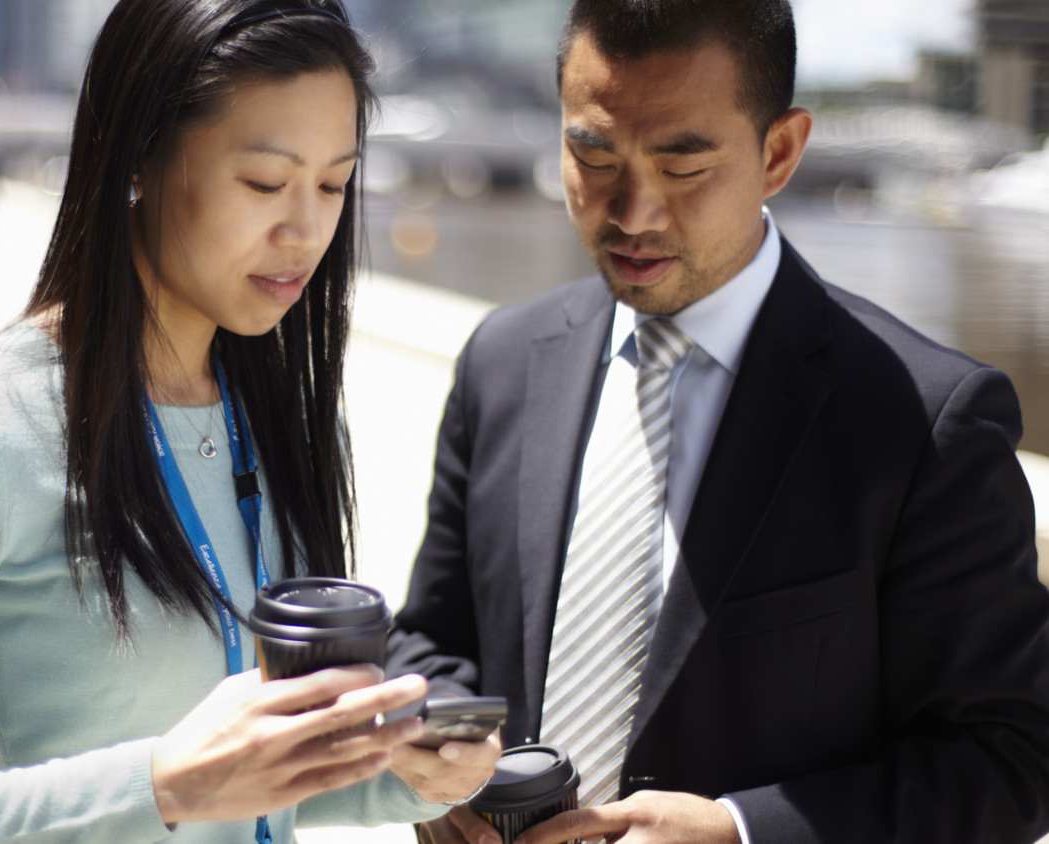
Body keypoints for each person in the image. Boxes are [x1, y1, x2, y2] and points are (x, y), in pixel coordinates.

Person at [0, 1, 500, 842]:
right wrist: (165, 785)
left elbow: (254, 788)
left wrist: (414, 779)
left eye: (333, 184)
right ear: (139, 152)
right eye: (263, 182)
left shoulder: (288, 421)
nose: (306, 229)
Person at [387, 0, 1049, 842]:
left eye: (682, 166)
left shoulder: (926, 422)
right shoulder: (503, 361)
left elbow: (1010, 762)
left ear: (780, 152)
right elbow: (432, 642)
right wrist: (439, 766)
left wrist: (744, 833)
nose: (633, 212)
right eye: (592, 153)